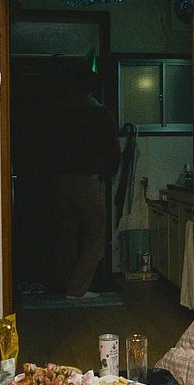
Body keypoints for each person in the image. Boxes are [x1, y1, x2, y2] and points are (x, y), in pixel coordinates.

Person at [44, 57, 121, 299]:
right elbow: (113, 152)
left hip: (58, 179)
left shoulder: (57, 113)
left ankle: (62, 284)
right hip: (86, 179)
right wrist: (109, 171)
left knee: (66, 234)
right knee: (96, 233)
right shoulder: (100, 114)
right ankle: (77, 289)